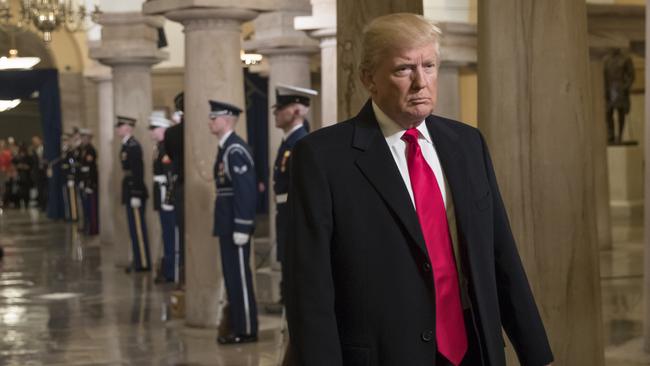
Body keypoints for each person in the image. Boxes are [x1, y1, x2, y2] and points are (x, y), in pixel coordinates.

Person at [283, 13, 553, 366]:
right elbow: (309, 291)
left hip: (475, 347)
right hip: (384, 354)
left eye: (429, 65)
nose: (420, 82)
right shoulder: (322, 158)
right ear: (369, 79)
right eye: (403, 69)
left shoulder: (467, 144)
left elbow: (501, 255)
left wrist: (536, 353)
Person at [208, 99, 258, 345]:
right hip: (226, 223)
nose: (210, 121)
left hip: (235, 224)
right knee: (232, 277)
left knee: (239, 277)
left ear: (226, 120)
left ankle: (247, 329)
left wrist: (242, 225)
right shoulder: (225, 148)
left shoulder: (235, 150)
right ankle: (237, 324)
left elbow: (245, 191)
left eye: (214, 118)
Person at [115, 116, 151, 273]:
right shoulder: (126, 145)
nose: (117, 129)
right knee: (133, 228)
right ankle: (138, 259)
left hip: (134, 190)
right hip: (129, 189)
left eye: (120, 126)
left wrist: (136, 193)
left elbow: (138, 171)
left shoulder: (133, 146)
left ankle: (143, 262)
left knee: (138, 228)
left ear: (128, 128)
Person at [149, 111, 179, 283]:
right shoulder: (159, 147)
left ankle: (171, 270)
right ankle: (168, 268)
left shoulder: (166, 147)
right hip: (159, 192)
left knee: (170, 233)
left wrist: (169, 197)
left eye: (155, 128)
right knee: (166, 232)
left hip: (165, 193)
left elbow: (169, 175)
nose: (152, 131)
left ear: (163, 129)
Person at [164, 92, 185, 285]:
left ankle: (184, 276)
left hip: (181, 187)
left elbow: (170, 154)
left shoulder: (171, 133)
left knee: (183, 233)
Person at [78, 129, 99, 235]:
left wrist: (90, 184)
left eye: (85, 137)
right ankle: (86, 226)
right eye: (82, 137)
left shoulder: (90, 150)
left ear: (89, 138)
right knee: (85, 206)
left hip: (90, 182)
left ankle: (93, 228)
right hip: (85, 180)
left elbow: (91, 168)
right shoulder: (83, 149)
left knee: (92, 207)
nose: (83, 139)